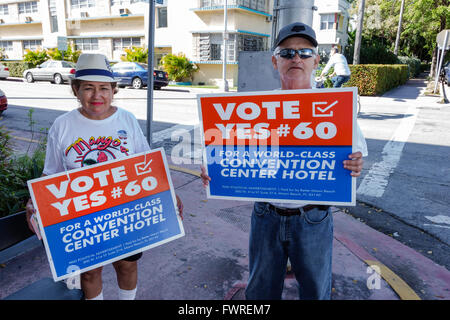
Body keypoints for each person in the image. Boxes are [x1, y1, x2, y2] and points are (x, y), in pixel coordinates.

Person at [201, 22, 367, 300]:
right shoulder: (254, 108)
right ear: (274, 60)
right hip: (266, 216)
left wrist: (356, 165)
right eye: (287, 52)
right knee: (260, 292)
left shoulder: (335, 106)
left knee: (315, 292)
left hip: (313, 218)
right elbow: (232, 154)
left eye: (304, 52)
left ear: (316, 60)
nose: (295, 58)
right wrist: (215, 171)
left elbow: (356, 157)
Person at [25, 53, 183, 300]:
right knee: (89, 273)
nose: (97, 96)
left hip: (126, 210)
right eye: (88, 88)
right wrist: (33, 201)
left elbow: (146, 163)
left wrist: (170, 193)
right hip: (83, 216)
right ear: (76, 90)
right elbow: (52, 172)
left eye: (104, 88)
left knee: (127, 265)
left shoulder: (126, 119)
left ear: (113, 90)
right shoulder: (62, 125)